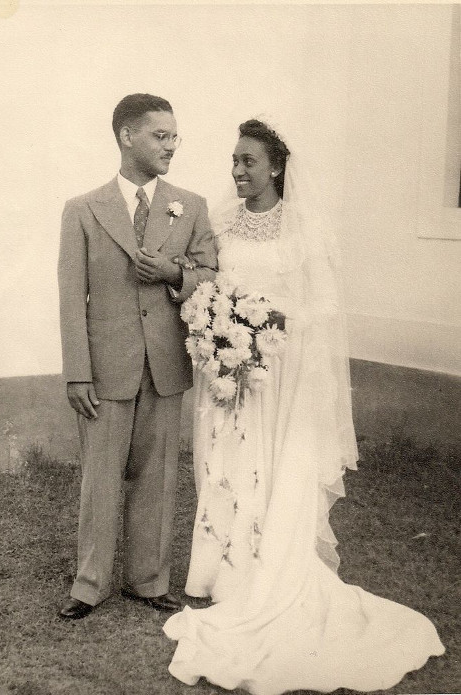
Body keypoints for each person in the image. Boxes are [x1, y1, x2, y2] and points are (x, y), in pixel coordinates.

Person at [163, 116, 444, 692]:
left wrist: (265, 320)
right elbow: (206, 281)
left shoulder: (305, 226)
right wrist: (211, 317)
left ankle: (267, 569)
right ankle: (221, 573)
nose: (237, 171)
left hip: (282, 374)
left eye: (248, 161)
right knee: (227, 464)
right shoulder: (220, 222)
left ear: (276, 167)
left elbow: (324, 310)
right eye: (234, 161)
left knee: (275, 468)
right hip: (232, 372)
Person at [57, 93, 217, 620]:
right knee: (100, 475)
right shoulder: (83, 209)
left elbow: (212, 277)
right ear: (127, 136)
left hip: (167, 364)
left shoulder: (189, 205)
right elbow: (71, 295)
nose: (172, 145)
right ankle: (90, 583)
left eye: (175, 136)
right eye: (161, 135)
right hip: (105, 368)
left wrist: (175, 275)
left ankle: (148, 580)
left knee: (159, 474)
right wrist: (78, 372)